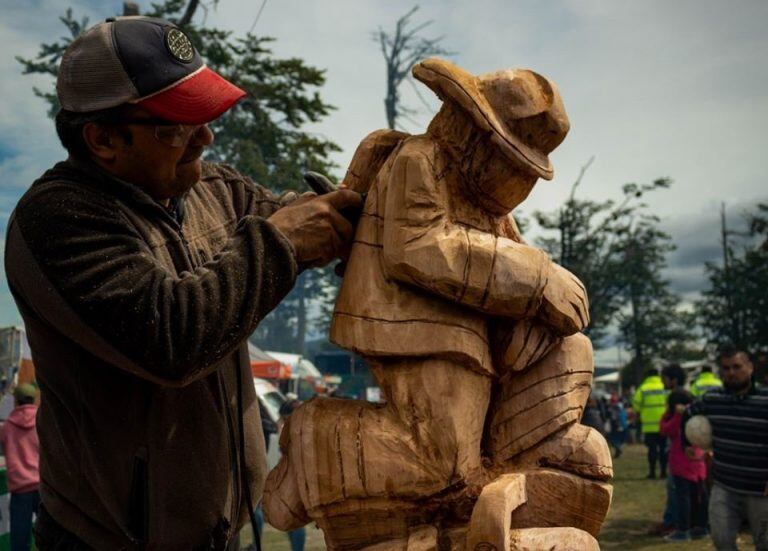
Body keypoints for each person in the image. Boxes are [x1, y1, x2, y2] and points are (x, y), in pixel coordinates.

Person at [4, 16, 361, 550]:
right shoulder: (57, 220)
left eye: (206, 116)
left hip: (218, 534)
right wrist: (281, 244)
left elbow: (294, 216)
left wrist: (353, 213)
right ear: (103, 139)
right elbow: (172, 338)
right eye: (177, 125)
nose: (206, 138)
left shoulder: (212, 187)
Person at [682, 347, 768, 551]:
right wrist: (687, 444)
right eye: (726, 368)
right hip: (724, 486)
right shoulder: (713, 399)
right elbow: (687, 413)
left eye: (737, 367)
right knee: (721, 540)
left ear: (750, 367)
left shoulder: (765, 400)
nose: (731, 372)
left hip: (760, 490)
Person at [659, 390, 708, 542]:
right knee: (699, 497)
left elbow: (665, 429)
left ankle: (683, 530)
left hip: (681, 463)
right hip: (698, 460)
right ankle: (700, 527)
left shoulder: (680, 417)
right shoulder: (697, 414)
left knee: (683, 498)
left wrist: (674, 415)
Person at [0, 384, 40, 551]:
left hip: (20, 490)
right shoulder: (42, 423)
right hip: (42, 488)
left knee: (19, 542)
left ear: (15, 401)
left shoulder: (7, 427)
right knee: (52, 539)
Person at [633, 368, 669, 479]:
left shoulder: (643, 389)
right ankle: (663, 472)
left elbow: (636, 405)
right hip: (664, 425)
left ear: (647, 376)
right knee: (663, 449)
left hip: (649, 426)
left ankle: (652, 472)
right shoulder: (665, 388)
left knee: (652, 450)